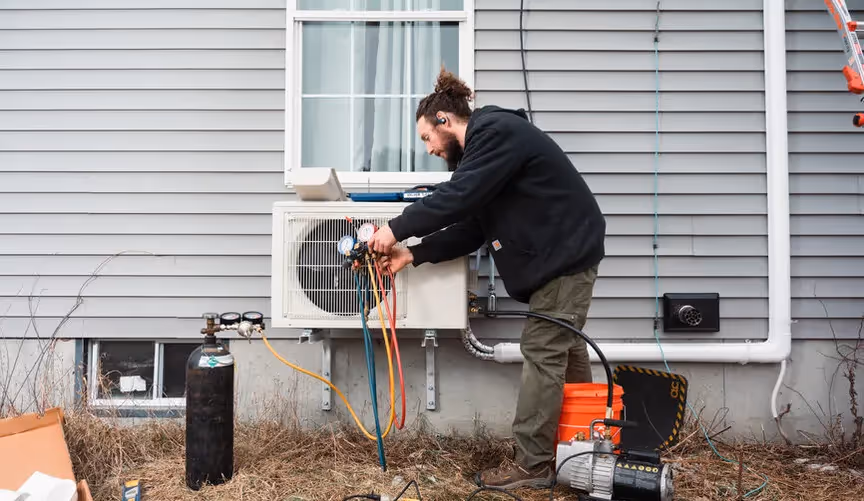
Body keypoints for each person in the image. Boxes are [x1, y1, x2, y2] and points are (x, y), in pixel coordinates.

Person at [367, 68, 606, 490]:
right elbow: (473, 226)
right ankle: (580, 450)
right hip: (563, 256)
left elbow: (457, 199)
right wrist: (412, 253)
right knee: (565, 353)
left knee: (543, 350)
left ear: (444, 120)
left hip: (566, 254)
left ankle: (533, 466)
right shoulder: (484, 156)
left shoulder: (495, 132)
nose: (428, 150)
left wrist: (395, 228)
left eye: (426, 138)